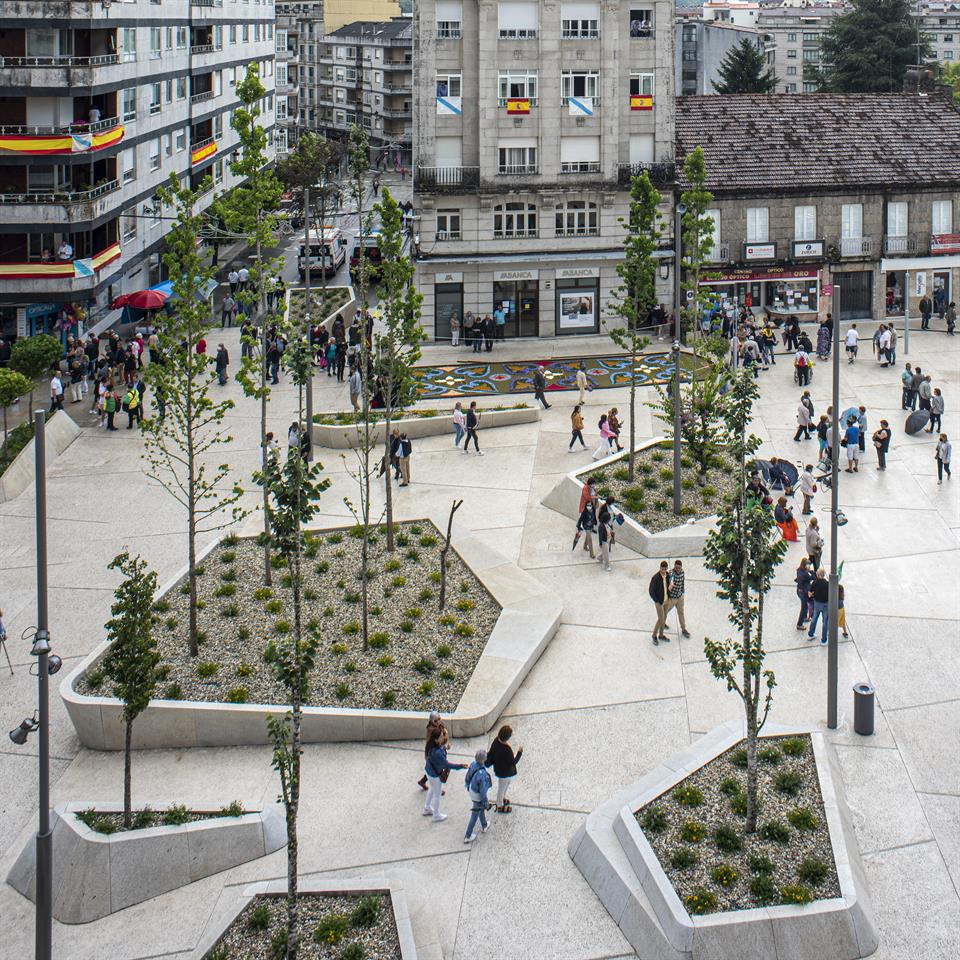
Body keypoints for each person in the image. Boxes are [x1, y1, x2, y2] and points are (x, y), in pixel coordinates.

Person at [423, 728, 466, 823]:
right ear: (436, 739)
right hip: (435, 776)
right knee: (437, 795)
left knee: (431, 788)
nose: (443, 738)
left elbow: (439, 749)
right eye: (441, 737)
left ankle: (427, 808)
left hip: (429, 772)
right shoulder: (437, 753)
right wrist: (460, 766)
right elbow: (447, 765)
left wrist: (445, 748)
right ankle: (436, 815)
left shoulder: (430, 746)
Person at [486, 724, 522, 812]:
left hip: (499, 770)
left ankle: (502, 798)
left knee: (507, 783)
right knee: (501, 788)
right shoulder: (506, 750)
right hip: (504, 773)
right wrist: (519, 753)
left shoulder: (496, 741)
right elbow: (513, 762)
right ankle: (499, 806)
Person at [463, 750, 492, 842]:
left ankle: (484, 825)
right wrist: (486, 802)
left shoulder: (473, 764)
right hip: (477, 795)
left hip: (472, 790)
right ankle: (468, 836)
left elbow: (467, 777)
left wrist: (468, 785)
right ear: (484, 759)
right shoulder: (482, 774)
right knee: (474, 815)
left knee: (480, 809)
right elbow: (482, 792)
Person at [417, 713, 446, 791]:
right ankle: (438, 788)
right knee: (437, 769)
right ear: (431, 721)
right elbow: (430, 743)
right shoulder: (431, 730)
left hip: (440, 749)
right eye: (435, 721)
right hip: (434, 753)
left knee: (434, 769)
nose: (438, 722)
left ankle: (423, 781)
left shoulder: (440, 725)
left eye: (439, 719)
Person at [666, 559, 690, 637]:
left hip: (680, 597)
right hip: (672, 598)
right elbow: (671, 578)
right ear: (674, 566)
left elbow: (682, 581)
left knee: (681, 613)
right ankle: (661, 624)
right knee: (665, 612)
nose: (677, 569)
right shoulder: (671, 573)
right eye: (676, 567)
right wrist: (671, 582)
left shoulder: (682, 572)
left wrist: (682, 590)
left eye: (679, 568)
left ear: (681, 567)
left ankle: (684, 629)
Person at [648, 560, 670, 646]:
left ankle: (661, 635)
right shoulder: (655, 578)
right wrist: (656, 601)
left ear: (667, 568)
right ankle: (654, 635)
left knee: (664, 618)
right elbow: (651, 591)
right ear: (660, 568)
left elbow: (668, 585)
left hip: (666, 600)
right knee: (661, 619)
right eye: (662, 569)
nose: (663, 571)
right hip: (659, 602)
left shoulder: (668, 575)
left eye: (665, 569)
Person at [807, 568, 830, 645]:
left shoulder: (814, 583)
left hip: (817, 604)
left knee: (814, 619)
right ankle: (824, 640)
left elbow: (809, 594)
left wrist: (814, 593)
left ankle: (810, 634)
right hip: (825, 605)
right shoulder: (827, 584)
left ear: (818, 575)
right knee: (825, 622)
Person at [794, 558, 814, 630]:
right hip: (803, 592)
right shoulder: (805, 574)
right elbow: (813, 577)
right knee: (804, 608)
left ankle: (804, 617)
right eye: (808, 564)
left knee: (805, 605)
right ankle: (799, 624)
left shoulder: (799, 570)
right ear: (805, 565)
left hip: (799, 591)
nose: (809, 566)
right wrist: (811, 571)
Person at [597, 498, 614, 571]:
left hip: (607, 540)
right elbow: (600, 536)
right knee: (606, 555)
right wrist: (601, 543)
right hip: (604, 542)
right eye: (609, 519)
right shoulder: (601, 527)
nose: (609, 519)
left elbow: (609, 530)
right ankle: (607, 566)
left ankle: (599, 558)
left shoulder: (606, 524)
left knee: (605, 552)